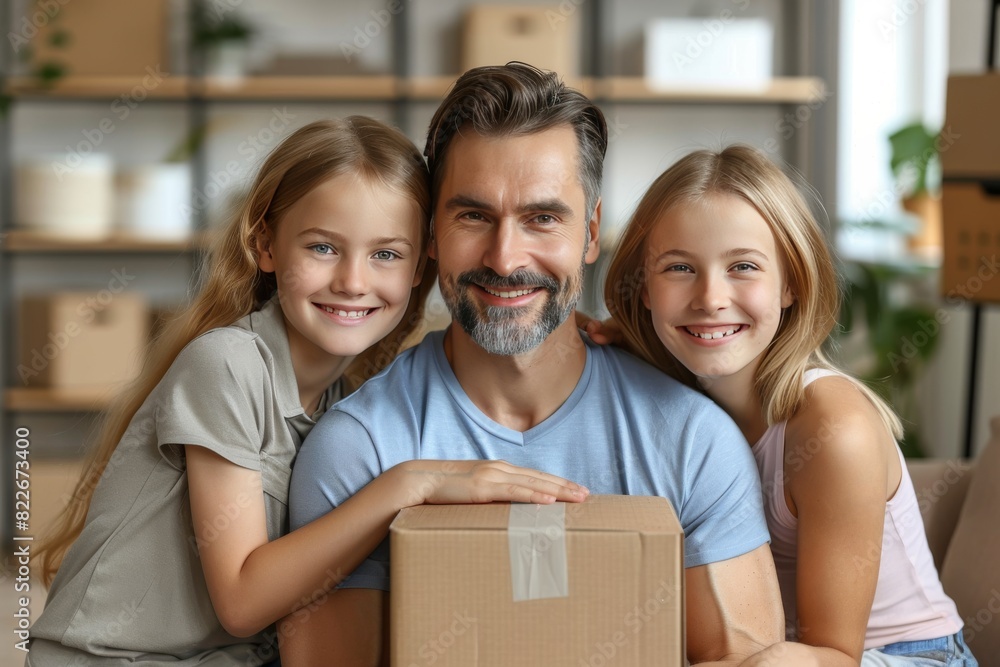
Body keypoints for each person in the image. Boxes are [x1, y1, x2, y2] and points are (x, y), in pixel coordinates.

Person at [28, 116, 585, 667]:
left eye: (386, 254)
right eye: (323, 248)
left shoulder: (348, 395)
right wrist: (414, 482)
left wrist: (586, 336)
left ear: (421, 264)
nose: (352, 281)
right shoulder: (227, 364)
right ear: (265, 245)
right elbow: (242, 603)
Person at [285, 63, 784, 666]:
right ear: (432, 233)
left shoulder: (691, 439)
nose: (504, 257)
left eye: (542, 218)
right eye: (473, 216)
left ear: (591, 231)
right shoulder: (359, 451)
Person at [599, 144, 975, 666]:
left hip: (899, 657)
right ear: (643, 289)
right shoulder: (671, 398)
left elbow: (834, 655)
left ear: (791, 284)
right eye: (680, 268)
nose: (710, 297)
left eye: (744, 267)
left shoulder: (831, 427)